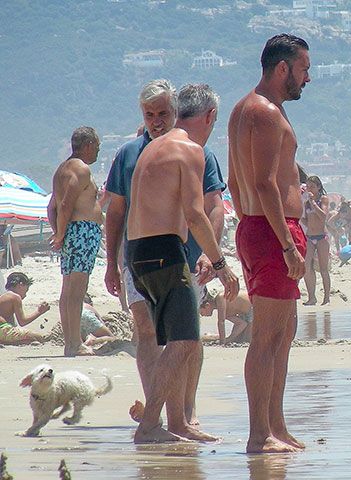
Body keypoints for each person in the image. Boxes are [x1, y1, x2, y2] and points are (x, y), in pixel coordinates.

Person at [105, 80, 227, 428]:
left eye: (163, 113)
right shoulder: (130, 153)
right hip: (144, 255)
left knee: (187, 336)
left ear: (175, 113)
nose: (156, 121)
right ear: (141, 115)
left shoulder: (198, 151)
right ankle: (156, 418)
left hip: (185, 255)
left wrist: (208, 251)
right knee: (149, 332)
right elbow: (116, 211)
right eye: (149, 114)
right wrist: (113, 263)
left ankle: (184, 412)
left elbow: (213, 206)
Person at [227, 33, 311, 454]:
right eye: (303, 70)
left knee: (282, 334)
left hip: (259, 228)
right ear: (283, 69)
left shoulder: (245, 110)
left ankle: (275, 426)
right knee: (266, 336)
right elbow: (262, 183)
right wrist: (285, 244)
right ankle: (259, 434)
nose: (306, 78)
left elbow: (235, 181)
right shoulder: (263, 112)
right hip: (270, 231)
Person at [47, 126, 104, 356]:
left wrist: (58, 231)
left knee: (69, 289)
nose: (98, 152)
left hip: (73, 231)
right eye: (97, 147)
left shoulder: (61, 170)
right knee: (77, 290)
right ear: (88, 145)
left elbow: (51, 207)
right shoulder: (80, 169)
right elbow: (66, 204)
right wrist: (60, 234)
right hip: (82, 232)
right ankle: (74, 343)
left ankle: (71, 342)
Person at [302, 175, 331, 305]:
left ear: (318, 187)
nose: (310, 189)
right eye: (308, 187)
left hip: (321, 238)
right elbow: (305, 220)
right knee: (307, 267)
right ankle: (312, 297)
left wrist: (314, 203)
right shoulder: (306, 202)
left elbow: (323, 216)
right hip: (310, 237)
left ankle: (326, 298)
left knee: (323, 269)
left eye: (312, 187)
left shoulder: (323, 199)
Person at [0, 273, 50, 345]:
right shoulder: (15, 297)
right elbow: (22, 322)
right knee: (39, 337)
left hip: (3, 329)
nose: (25, 295)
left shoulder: (5, 296)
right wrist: (39, 311)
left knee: (28, 339)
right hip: (2, 330)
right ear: (20, 285)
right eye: (26, 290)